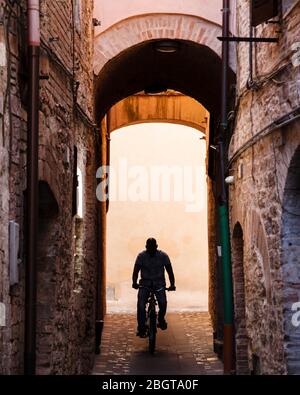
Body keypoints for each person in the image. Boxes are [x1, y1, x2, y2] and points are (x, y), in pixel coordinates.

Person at [132, 238, 176, 337]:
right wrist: (134, 282)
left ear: (156, 247)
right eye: (149, 248)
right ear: (146, 247)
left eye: (153, 248)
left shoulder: (163, 256)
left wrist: (172, 284)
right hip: (145, 284)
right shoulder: (141, 256)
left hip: (159, 284)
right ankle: (142, 327)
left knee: (163, 303)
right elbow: (136, 271)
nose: (151, 250)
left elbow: (170, 271)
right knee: (141, 304)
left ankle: (160, 318)